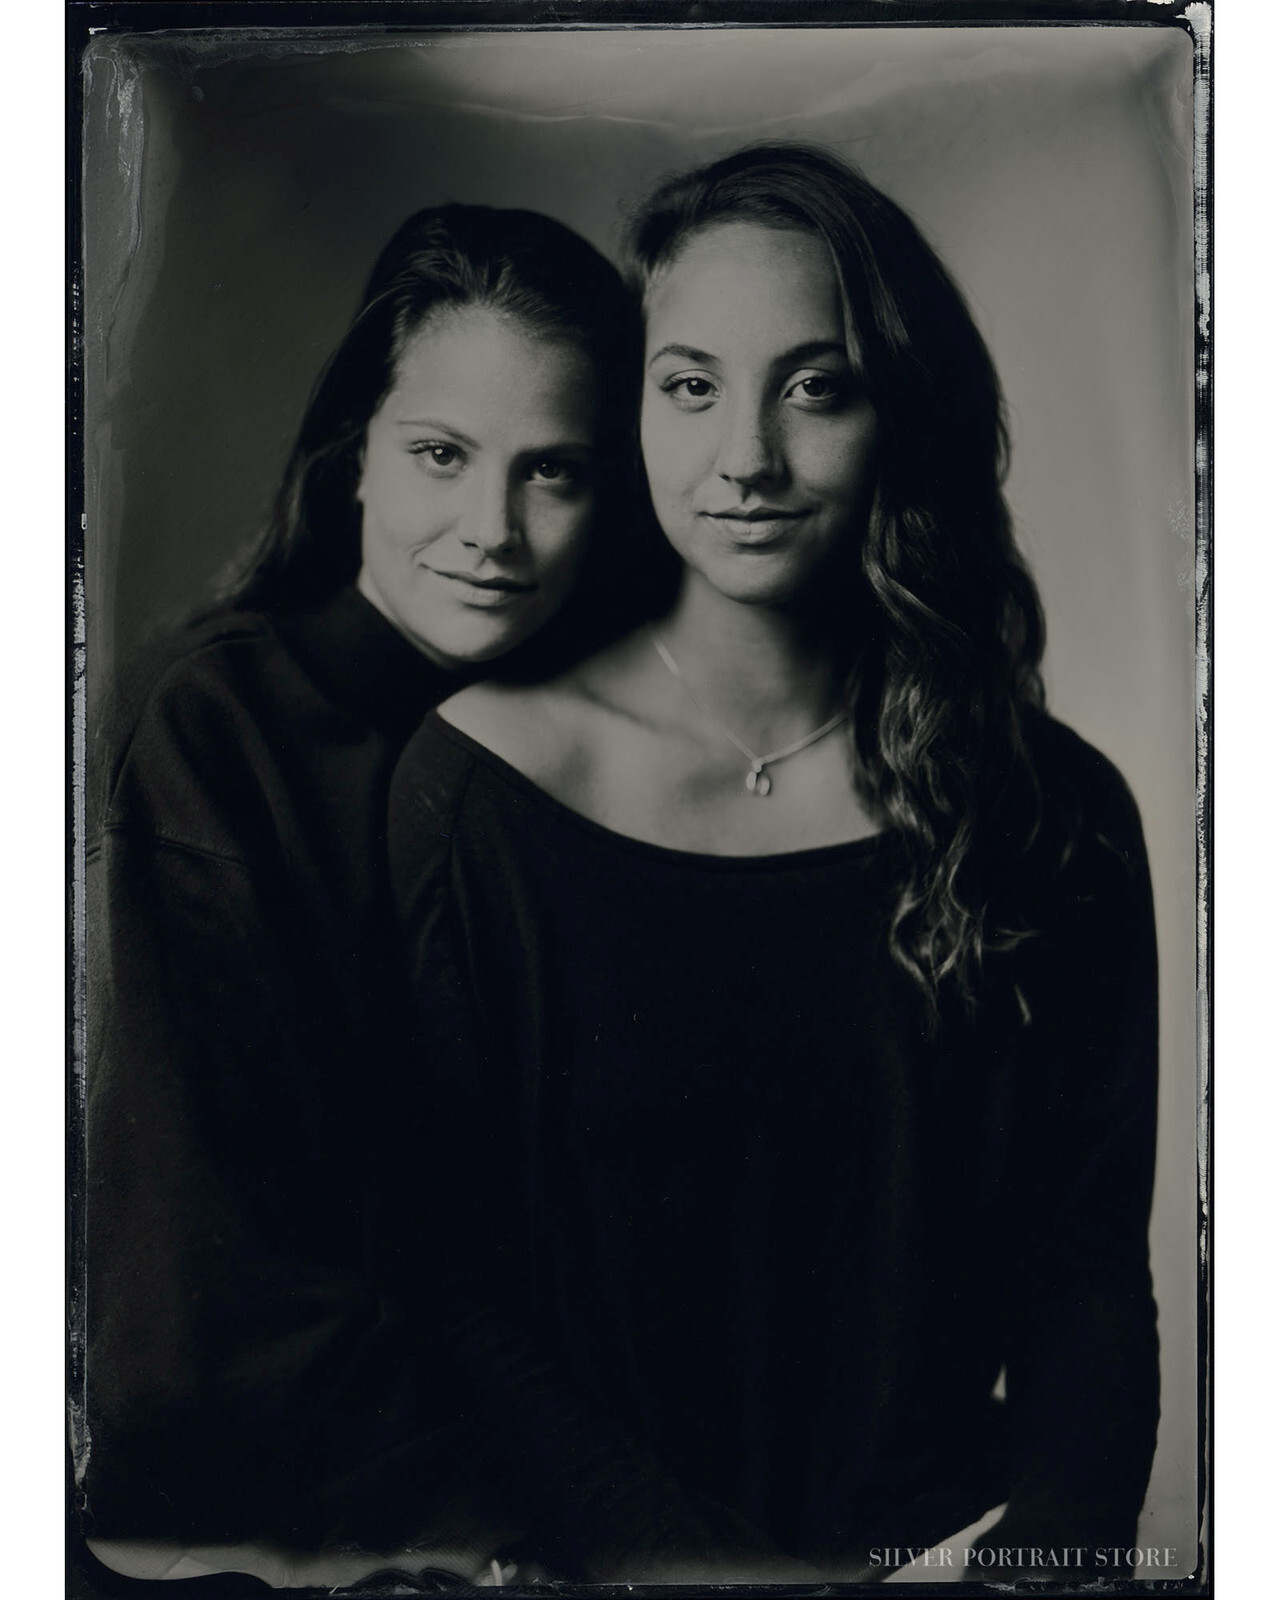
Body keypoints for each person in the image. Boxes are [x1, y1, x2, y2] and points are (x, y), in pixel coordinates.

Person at [387, 145, 1160, 1584]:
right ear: (629, 412)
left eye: (816, 385)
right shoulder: (477, 790)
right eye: (689, 385)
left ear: (900, 411)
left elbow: (1088, 1271)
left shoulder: (1056, 813)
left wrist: (1049, 1562)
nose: (745, 454)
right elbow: (450, 1296)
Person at [77, 202, 641, 1580]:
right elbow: (216, 1272)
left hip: (560, 1463)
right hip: (304, 1521)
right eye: (441, 455)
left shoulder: (591, 734)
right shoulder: (220, 733)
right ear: (356, 462)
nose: (491, 532)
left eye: (553, 472)